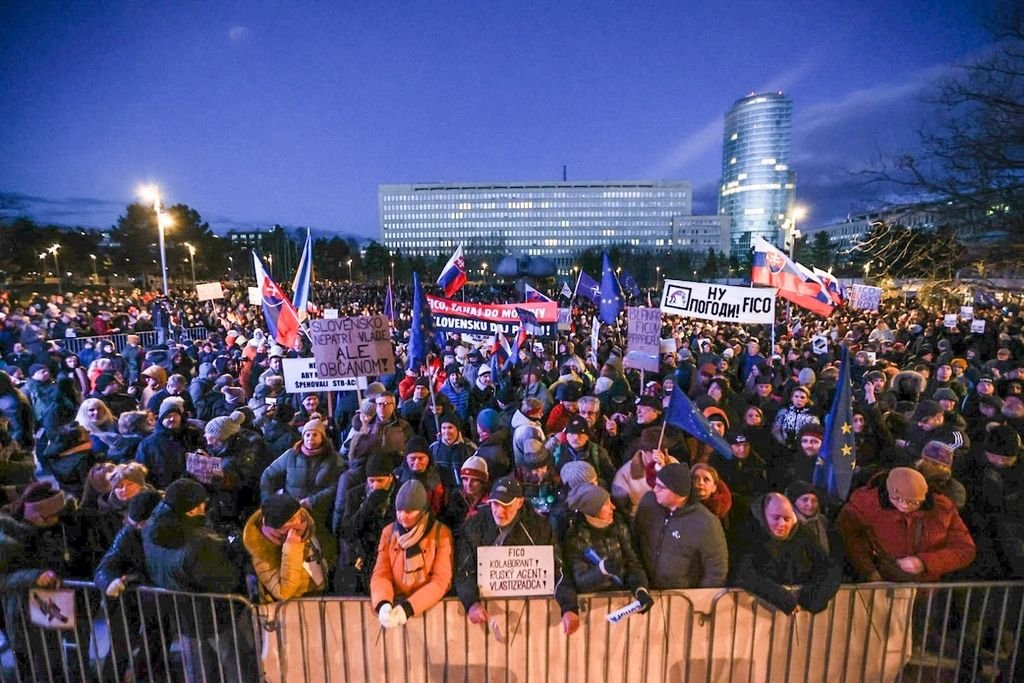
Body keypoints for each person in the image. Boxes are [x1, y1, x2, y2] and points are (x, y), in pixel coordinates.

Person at [142, 478, 254, 681]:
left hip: (183, 615)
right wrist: (235, 553)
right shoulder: (199, 542)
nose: (205, 506)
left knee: (198, 674)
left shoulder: (150, 529)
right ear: (191, 510)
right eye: (202, 503)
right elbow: (225, 580)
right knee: (239, 669)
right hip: (218, 616)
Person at [454, 475, 581, 635]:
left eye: (506, 505)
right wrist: (471, 604)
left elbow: (558, 568)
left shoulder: (539, 529)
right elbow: (464, 570)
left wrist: (569, 607)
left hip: (533, 620)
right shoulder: (474, 527)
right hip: (489, 618)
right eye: (495, 504)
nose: (499, 511)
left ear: (520, 502)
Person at [836, 467, 976, 582]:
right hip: (882, 585)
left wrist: (924, 562)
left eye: (913, 502)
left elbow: (965, 550)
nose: (904, 505)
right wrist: (869, 571)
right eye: (897, 499)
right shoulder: (865, 503)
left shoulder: (942, 508)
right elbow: (849, 536)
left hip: (926, 589)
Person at [731, 492, 841, 614]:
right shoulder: (749, 533)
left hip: (797, 619)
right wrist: (781, 597)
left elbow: (829, 567)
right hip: (751, 615)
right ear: (764, 514)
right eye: (776, 518)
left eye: (787, 519)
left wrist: (815, 596)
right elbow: (744, 573)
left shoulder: (803, 534)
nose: (782, 524)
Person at [370, 480, 454, 628]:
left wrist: (409, 608)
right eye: (399, 511)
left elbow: (441, 581)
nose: (402, 516)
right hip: (395, 607)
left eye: (409, 512)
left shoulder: (441, 533)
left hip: (430, 611)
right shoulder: (389, 533)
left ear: (422, 511)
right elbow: (381, 573)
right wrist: (383, 603)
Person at [633, 463, 729, 588]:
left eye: (661, 487)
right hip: (645, 588)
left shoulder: (706, 522)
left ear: (679, 494)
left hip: (680, 597)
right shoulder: (649, 502)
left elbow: (716, 571)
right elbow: (635, 538)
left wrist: (698, 600)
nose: (655, 489)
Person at [563, 482, 655, 611]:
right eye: (606, 504)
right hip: (592, 608)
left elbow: (633, 563)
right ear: (593, 509)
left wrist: (640, 589)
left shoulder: (620, 526)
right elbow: (580, 581)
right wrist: (602, 570)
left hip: (621, 601)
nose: (613, 507)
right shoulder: (576, 537)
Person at [259, 416, 342, 543]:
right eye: (307, 435)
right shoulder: (292, 455)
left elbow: (336, 485)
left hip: (318, 512)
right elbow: (269, 474)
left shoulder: (333, 459)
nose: (310, 438)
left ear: (322, 438)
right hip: (290, 511)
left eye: (315, 434)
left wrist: (312, 501)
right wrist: (268, 502)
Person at [333, 450, 399, 595]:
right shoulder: (355, 495)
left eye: (380, 481)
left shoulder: (400, 493)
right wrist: (368, 505)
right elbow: (347, 531)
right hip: (363, 558)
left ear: (390, 477)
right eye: (371, 481)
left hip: (392, 557)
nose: (375, 486)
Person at [243, 493, 330, 601]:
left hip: (320, 595)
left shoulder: (306, 524)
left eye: (298, 516)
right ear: (277, 528)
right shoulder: (261, 550)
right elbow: (284, 593)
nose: (298, 522)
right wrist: (292, 548)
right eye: (292, 520)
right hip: (292, 607)